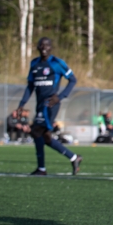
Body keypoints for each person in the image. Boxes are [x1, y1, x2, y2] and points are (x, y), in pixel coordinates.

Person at [17, 37, 82, 175]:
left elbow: (72, 80)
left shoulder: (57, 63)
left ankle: (41, 169)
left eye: (47, 45)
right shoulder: (34, 63)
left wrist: (60, 96)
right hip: (40, 105)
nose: (44, 47)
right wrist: (22, 103)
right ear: (38, 47)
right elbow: (30, 86)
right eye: (41, 45)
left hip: (50, 104)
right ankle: (74, 158)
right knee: (46, 137)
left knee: (36, 131)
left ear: (51, 47)